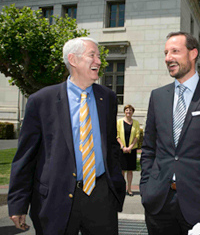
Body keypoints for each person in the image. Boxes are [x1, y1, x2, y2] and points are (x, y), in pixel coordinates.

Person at [7, 37, 126, 235]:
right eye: (92, 55)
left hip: (101, 197)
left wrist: (115, 185)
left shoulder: (108, 98)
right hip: (55, 198)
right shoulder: (41, 101)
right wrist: (18, 203)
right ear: (73, 60)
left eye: (99, 56)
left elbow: (111, 146)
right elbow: (25, 156)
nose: (99, 61)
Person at [140, 31, 200, 235]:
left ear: (193, 53)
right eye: (166, 53)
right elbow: (149, 148)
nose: (168, 58)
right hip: (159, 204)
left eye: (175, 51)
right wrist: (147, 189)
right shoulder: (157, 97)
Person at [117, 104, 140, 196]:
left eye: (130, 110)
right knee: (122, 170)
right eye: (127, 110)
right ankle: (122, 189)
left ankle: (129, 189)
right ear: (124, 112)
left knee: (130, 170)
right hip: (122, 149)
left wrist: (130, 147)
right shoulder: (119, 122)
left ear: (132, 112)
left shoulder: (136, 123)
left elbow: (137, 136)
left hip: (132, 149)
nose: (128, 112)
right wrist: (123, 146)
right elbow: (117, 135)